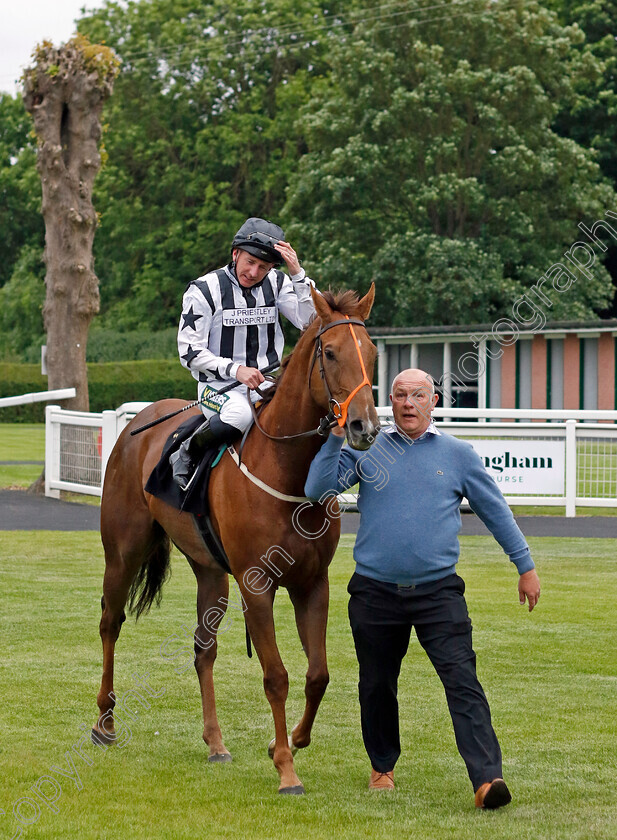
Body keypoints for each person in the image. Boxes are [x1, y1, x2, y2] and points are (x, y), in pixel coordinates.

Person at [304, 368, 541, 807]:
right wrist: (338, 437)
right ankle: (381, 768)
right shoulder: (368, 449)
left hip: (439, 594)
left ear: (433, 401)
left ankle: (488, 780)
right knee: (376, 685)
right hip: (374, 593)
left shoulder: (458, 454)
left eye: (417, 395)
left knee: (462, 681)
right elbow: (317, 489)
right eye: (399, 395)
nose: (408, 403)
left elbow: (495, 510)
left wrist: (524, 566)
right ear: (389, 402)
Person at [172, 217, 317, 489]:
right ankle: (187, 450)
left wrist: (298, 274)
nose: (253, 272)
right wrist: (235, 370)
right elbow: (189, 352)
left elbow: (310, 323)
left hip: (269, 383)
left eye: (263, 267)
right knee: (240, 416)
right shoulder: (204, 289)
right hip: (219, 387)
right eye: (250, 262)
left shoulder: (278, 283)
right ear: (235, 253)